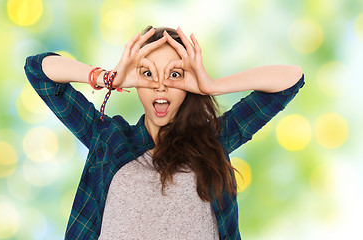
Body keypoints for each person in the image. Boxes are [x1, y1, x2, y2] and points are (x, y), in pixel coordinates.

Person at [24, 26, 304, 240]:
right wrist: (109, 77)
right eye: (148, 74)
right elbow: (38, 70)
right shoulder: (110, 139)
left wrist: (211, 84)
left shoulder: (213, 140)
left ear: (189, 84)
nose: (160, 86)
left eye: (174, 74)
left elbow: (290, 79)